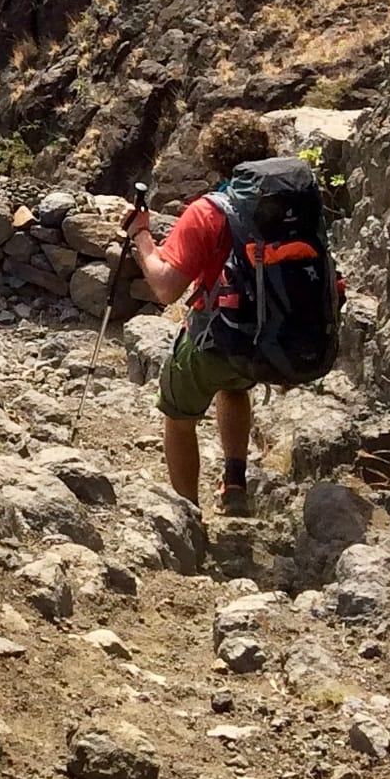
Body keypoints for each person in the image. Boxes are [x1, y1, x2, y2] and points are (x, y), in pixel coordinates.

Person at [127, 108, 299, 513]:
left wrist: (142, 236)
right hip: (270, 335)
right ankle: (234, 481)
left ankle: (187, 513)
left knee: (178, 414)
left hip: (219, 334)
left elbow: (167, 287)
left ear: (212, 158)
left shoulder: (208, 211)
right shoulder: (289, 202)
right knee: (235, 385)